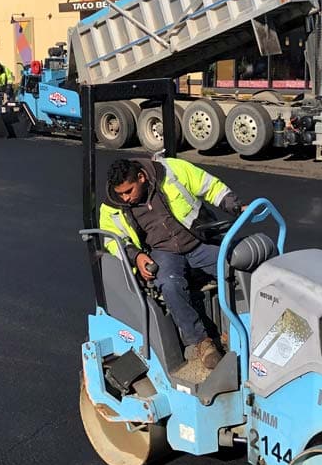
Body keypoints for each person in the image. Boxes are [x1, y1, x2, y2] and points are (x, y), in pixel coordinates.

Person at [101, 157, 244, 370]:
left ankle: (240, 326)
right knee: (169, 283)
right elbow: (112, 240)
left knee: (239, 264)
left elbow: (209, 186)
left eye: (129, 191)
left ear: (141, 177)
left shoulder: (171, 171)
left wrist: (236, 206)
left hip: (198, 241)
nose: (125, 198)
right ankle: (201, 343)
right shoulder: (113, 206)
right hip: (163, 252)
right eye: (121, 193)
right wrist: (137, 256)